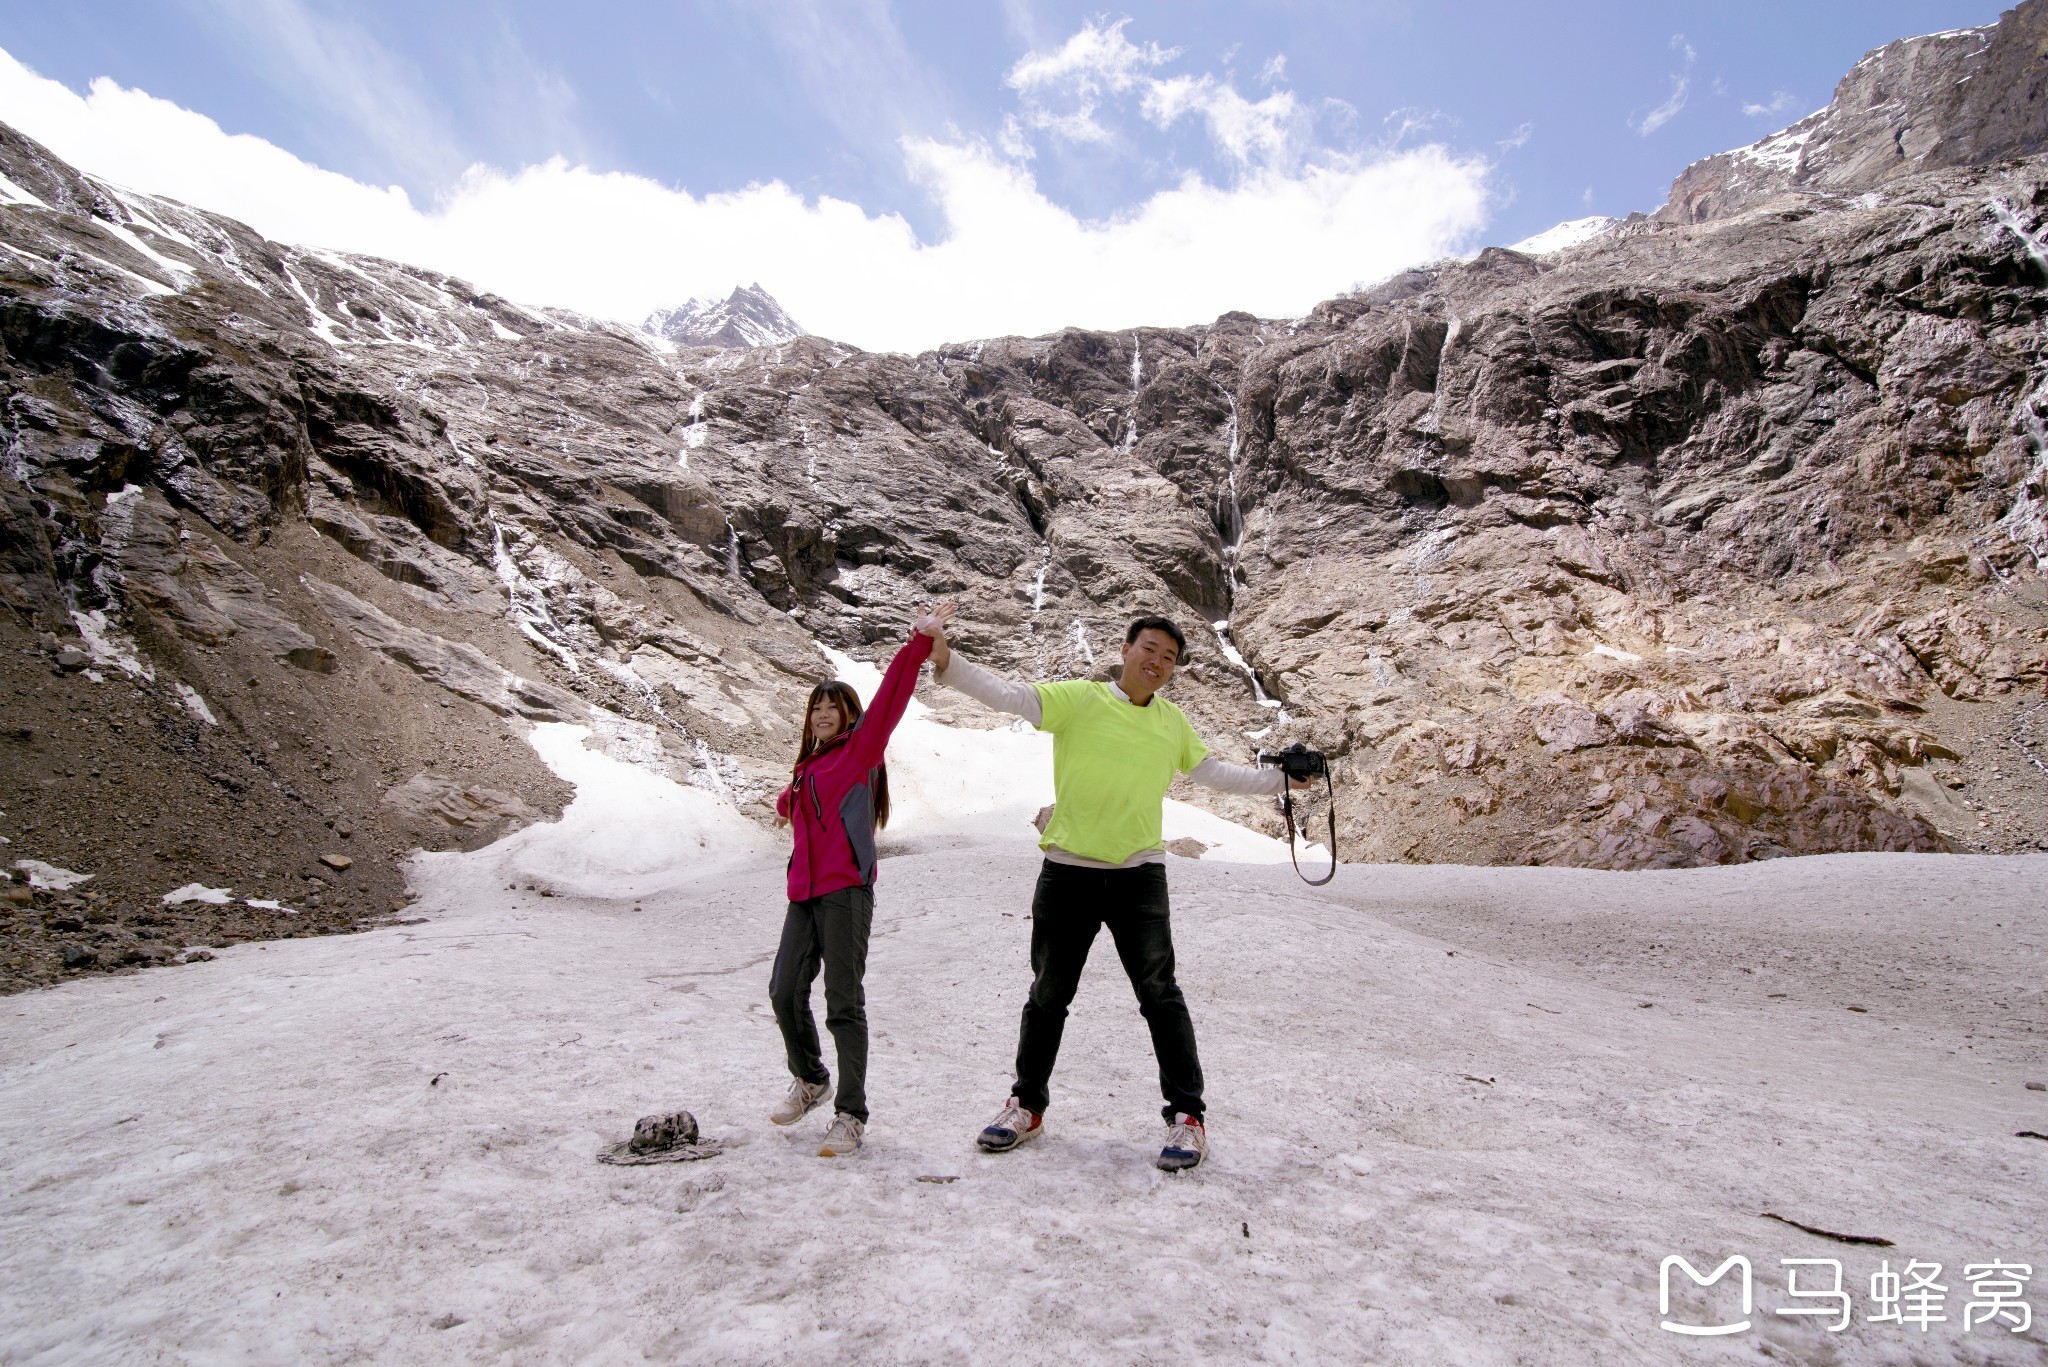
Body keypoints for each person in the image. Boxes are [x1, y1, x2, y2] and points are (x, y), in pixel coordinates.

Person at [917, 611, 1309, 1171]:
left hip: (1139, 875)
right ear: (1125, 649)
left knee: (1160, 995)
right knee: (1048, 994)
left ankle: (1188, 1117)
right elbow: (1009, 696)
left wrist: (1280, 780)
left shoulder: (1172, 724)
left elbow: (1217, 774)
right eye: (1149, 649)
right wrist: (947, 661)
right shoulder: (1080, 700)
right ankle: (1026, 1106)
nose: (1157, 662)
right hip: (1067, 872)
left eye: (1169, 657)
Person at [767, 604, 949, 1157]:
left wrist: (917, 645)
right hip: (803, 894)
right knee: (783, 992)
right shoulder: (806, 768)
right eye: (816, 707)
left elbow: (891, 701)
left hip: (846, 891)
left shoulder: (859, 752)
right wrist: (786, 801)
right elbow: (793, 806)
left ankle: (850, 1113)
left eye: (834, 707)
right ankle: (812, 1078)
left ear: (849, 716)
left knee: (843, 1001)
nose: (823, 713)